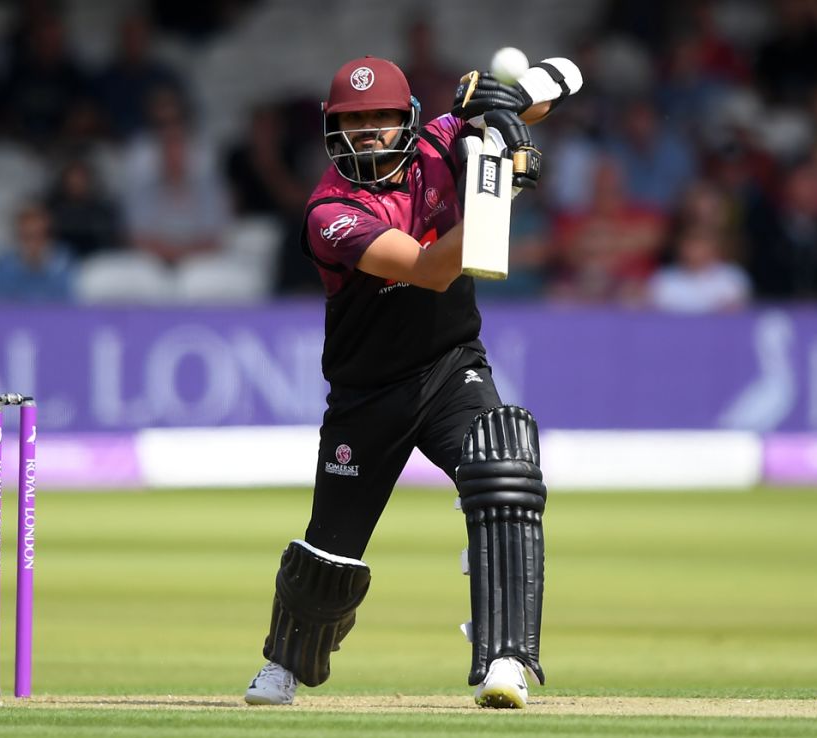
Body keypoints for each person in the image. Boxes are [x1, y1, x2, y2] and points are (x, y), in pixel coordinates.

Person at [242, 55, 579, 709]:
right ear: (331, 129)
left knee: (504, 468)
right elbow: (428, 269)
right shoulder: (329, 210)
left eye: (381, 117)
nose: (369, 131)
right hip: (367, 394)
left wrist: (506, 110)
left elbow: (562, 77)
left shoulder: (445, 139)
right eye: (354, 120)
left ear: (408, 120)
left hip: (450, 366)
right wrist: (495, 194)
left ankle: (504, 658)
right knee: (330, 557)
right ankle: (286, 662)